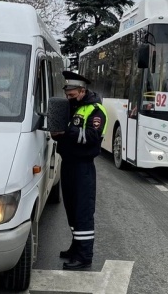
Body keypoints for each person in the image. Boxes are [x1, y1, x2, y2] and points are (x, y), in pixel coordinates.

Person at [51, 70, 107, 270]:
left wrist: (67, 131)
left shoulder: (96, 110)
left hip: (83, 167)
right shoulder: (72, 107)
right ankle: (76, 247)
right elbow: (65, 133)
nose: (69, 97)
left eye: (72, 94)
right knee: (71, 209)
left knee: (83, 211)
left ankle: (84, 256)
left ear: (82, 91)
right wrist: (57, 133)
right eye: (67, 93)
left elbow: (91, 136)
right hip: (68, 163)